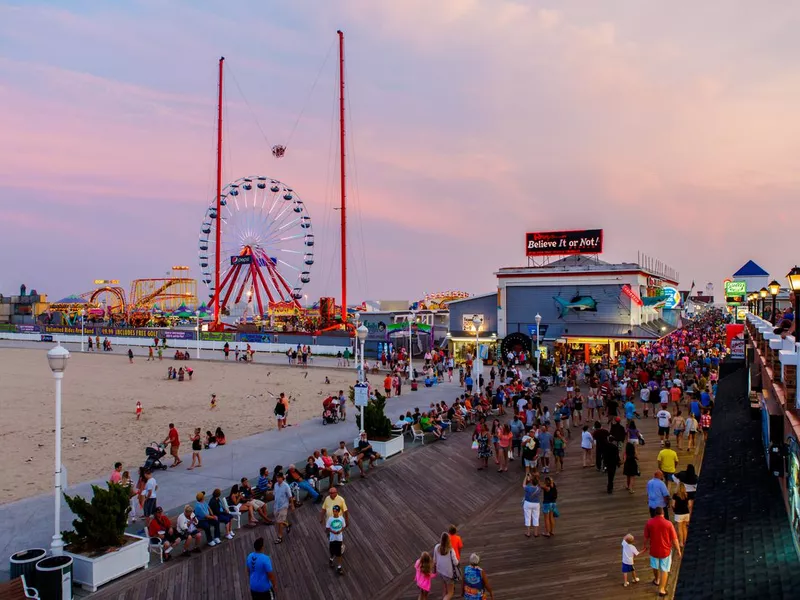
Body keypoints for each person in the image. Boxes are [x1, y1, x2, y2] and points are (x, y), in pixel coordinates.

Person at [643, 506, 681, 597]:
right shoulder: (668, 524)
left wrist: (645, 546)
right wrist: (679, 550)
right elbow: (675, 539)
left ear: (655, 513)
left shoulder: (649, 523)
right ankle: (662, 589)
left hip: (654, 550)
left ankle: (657, 580)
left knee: (655, 566)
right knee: (665, 570)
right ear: (663, 514)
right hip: (665, 551)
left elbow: (646, 537)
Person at [433, 532, 459, 600]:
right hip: (448, 574)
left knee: (444, 589)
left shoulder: (436, 547)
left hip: (440, 571)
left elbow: (434, 561)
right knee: (450, 593)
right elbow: (456, 563)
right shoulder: (451, 550)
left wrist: (434, 571)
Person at [272, 472, 293, 544]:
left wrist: (292, 505)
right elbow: (275, 494)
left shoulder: (286, 486)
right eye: (276, 478)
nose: (277, 479)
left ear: (282, 478)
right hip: (276, 506)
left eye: (278, 477)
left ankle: (279, 537)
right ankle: (287, 525)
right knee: (278, 521)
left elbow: (290, 496)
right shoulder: (275, 485)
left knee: (280, 522)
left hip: (284, 506)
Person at [326, 504, 346, 576]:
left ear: (338, 511)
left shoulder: (341, 519)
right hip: (332, 539)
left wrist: (340, 531)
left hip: (339, 539)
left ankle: (339, 567)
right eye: (333, 511)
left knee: (339, 554)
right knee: (332, 552)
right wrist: (333, 531)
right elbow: (328, 528)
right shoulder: (330, 519)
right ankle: (331, 559)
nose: (334, 512)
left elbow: (344, 526)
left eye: (336, 511)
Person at [522, 473, 542, 538]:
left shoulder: (528, 488)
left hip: (527, 503)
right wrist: (536, 477)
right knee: (536, 518)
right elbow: (539, 483)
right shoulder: (539, 489)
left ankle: (528, 532)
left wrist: (526, 477)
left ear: (531, 482)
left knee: (527, 517)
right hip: (536, 504)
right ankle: (536, 533)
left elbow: (523, 485)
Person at [672, 482, 691, 547]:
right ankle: (685, 541)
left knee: (679, 528)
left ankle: (681, 542)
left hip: (679, 513)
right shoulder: (686, 495)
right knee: (684, 527)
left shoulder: (675, 495)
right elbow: (689, 504)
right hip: (686, 513)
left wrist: (674, 510)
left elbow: (673, 504)